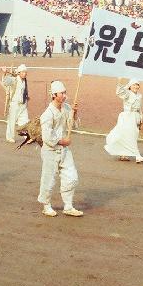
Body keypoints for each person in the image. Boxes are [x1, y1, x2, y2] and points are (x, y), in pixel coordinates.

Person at [37, 80, 83, 217]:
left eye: (65, 92)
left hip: (64, 150)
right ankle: (46, 205)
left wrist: (74, 114)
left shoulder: (67, 108)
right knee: (49, 178)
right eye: (61, 93)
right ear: (54, 95)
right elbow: (47, 138)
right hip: (50, 151)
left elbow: (73, 127)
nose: (64, 95)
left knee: (72, 176)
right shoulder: (47, 114)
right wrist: (63, 141)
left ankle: (68, 206)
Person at [104, 78, 143, 163]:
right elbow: (119, 92)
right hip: (127, 117)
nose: (136, 86)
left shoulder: (139, 95)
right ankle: (137, 156)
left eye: (137, 84)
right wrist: (120, 82)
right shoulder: (127, 93)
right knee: (131, 136)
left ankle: (123, 154)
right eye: (134, 85)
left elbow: (140, 108)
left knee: (126, 135)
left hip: (135, 117)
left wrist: (141, 119)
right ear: (130, 86)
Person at [1, 64, 30, 143]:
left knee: (25, 120)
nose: (25, 73)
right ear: (19, 73)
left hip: (23, 104)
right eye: (23, 72)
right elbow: (4, 82)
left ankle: (26, 136)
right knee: (11, 121)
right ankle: (10, 137)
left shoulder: (24, 81)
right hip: (14, 104)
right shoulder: (14, 80)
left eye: (25, 72)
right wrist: (4, 73)